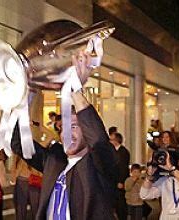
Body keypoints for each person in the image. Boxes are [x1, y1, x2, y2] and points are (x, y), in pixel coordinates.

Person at [11, 53, 119, 219]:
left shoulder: (100, 162)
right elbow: (18, 144)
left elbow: (98, 140)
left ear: (87, 130)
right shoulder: (54, 159)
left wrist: (75, 89)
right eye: (63, 128)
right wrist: (26, 99)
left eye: (74, 126)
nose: (67, 133)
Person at [11, 153, 42, 220]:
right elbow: (14, 165)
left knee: (35, 211)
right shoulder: (18, 149)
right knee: (22, 211)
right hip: (23, 180)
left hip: (33, 181)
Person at [110, 132, 130, 220]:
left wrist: (121, 181)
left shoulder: (123, 152)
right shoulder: (113, 151)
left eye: (111, 139)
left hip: (119, 182)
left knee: (121, 204)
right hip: (113, 182)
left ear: (116, 140)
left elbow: (123, 168)